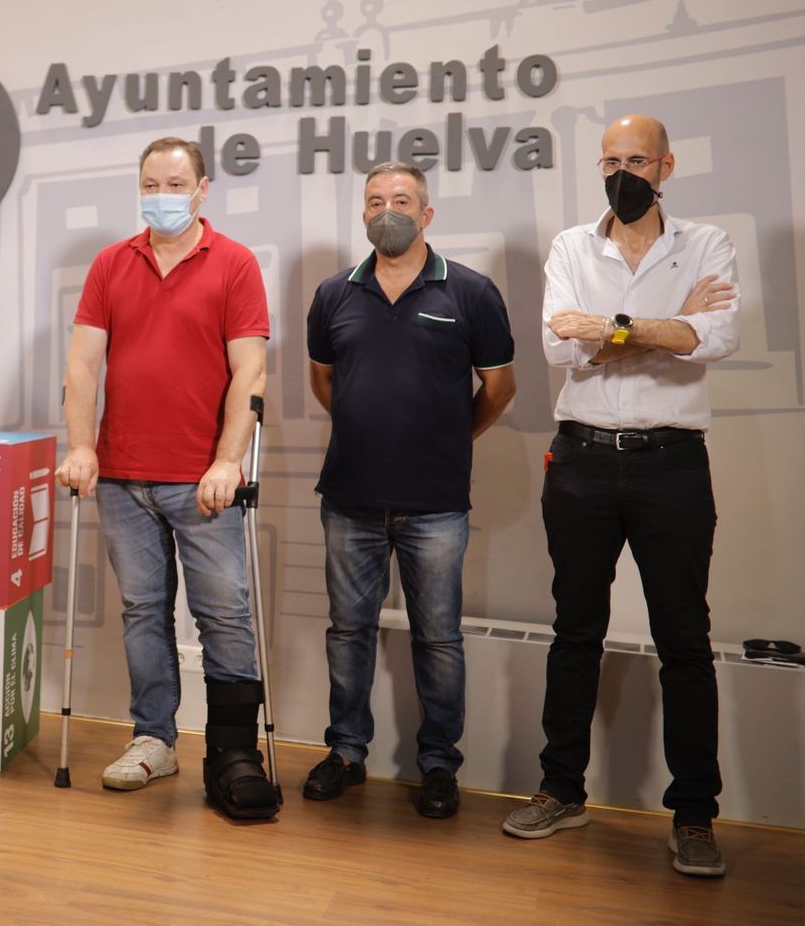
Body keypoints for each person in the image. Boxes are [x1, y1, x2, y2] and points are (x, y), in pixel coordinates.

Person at [502, 114, 738, 879]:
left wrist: (612, 327)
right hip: (581, 460)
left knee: (684, 638)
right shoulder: (574, 245)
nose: (622, 171)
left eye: (636, 158)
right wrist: (662, 327)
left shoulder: (705, 244)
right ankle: (560, 788)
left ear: (666, 164)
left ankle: (695, 812)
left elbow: (716, 337)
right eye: (610, 159)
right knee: (575, 628)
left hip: (673, 464)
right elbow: (555, 344)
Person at [55, 136, 277, 820]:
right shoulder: (109, 264)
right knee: (143, 611)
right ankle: (154, 736)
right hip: (121, 476)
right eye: (152, 182)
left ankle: (233, 749)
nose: (163, 194)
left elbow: (251, 371)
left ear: (203, 188)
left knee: (225, 613)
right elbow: (84, 367)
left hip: (202, 477)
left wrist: (227, 458)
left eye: (176, 183)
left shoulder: (234, 263)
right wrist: (81, 446)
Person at [302, 161, 517, 819]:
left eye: (400, 200)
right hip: (350, 499)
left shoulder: (472, 293)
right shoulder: (334, 294)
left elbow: (499, 389)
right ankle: (346, 751)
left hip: (436, 504)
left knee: (438, 638)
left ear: (426, 215)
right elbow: (324, 382)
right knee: (348, 632)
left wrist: (450, 439)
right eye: (374, 201)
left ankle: (438, 765)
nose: (385, 210)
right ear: (362, 214)